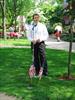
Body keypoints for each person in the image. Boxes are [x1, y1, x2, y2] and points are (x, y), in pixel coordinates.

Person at [26, 13, 49, 79]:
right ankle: (37, 71)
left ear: (39, 18)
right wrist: (31, 40)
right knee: (35, 57)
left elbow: (46, 35)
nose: (36, 19)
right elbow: (28, 36)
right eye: (35, 17)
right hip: (33, 43)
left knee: (43, 57)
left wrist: (40, 39)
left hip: (41, 43)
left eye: (37, 17)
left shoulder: (42, 26)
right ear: (33, 18)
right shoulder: (31, 26)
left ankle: (44, 72)